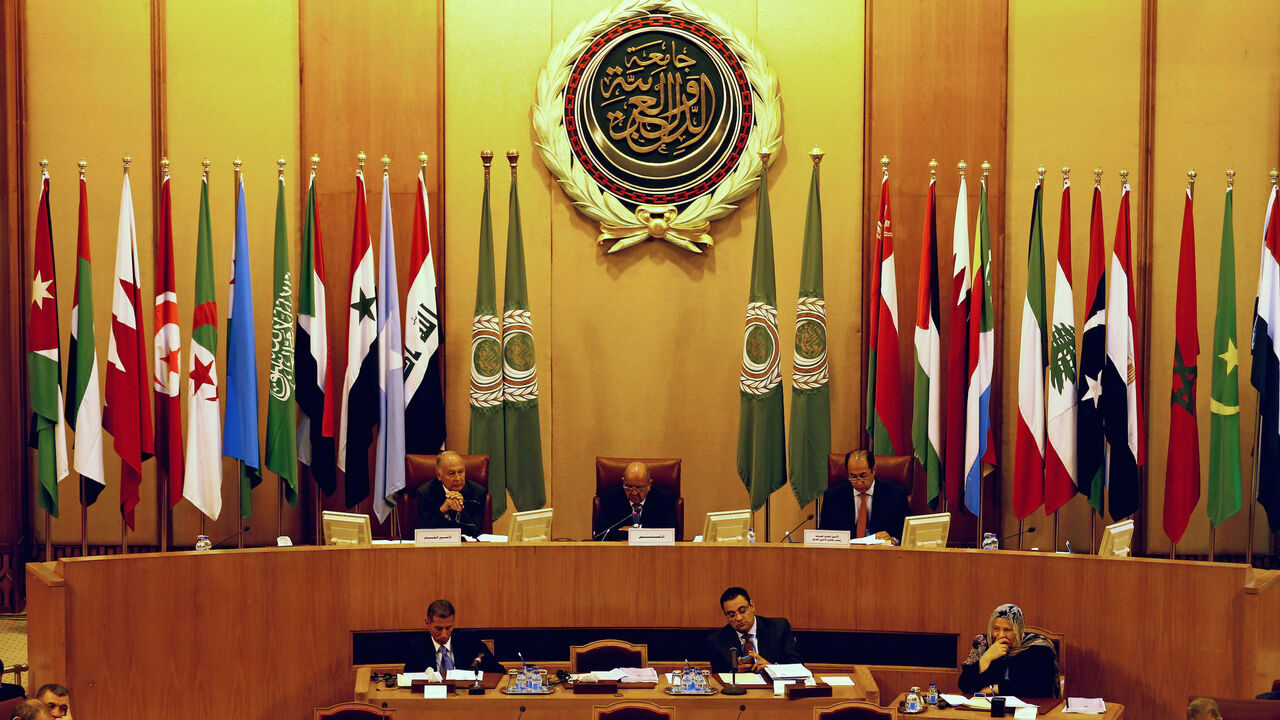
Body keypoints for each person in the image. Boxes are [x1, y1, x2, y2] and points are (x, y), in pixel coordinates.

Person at [959, 604, 1059, 698]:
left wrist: (995, 689)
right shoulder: (983, 643)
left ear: (1018, 631)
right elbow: (964, 685)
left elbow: (1040, 688)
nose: (1001, 635)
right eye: (996, 629)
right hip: (985, 707)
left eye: (1007, 630)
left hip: (1027, 710)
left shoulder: (1038, 647)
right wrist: (986, 658)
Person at [818, 449, 911, 543]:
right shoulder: (832, 497)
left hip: (882, 554)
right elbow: (824, 532)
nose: (859, 483)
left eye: (863, 476)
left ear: (873, 470)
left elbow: (906, 533)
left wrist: (893, 540)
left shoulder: (896, 495)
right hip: (844, 554)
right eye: (853, 477)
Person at [707, 586, 802, 674]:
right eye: (732, 615)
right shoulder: (717, 641)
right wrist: (733, 673)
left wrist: (772, 669)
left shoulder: (779, 628)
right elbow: (718, 677)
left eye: (742, 610)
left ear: (752, 606)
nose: (739, 618)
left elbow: (799, 669)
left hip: (773, 689)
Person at [403, 599, 504, 675]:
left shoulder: (470, 640)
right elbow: (408, 680)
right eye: (438, 628)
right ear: (427, 623)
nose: (444, 634)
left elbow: (499, 671)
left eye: (448, 628)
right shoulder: (416, 646)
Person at [595, 461, 678, 541]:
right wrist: (643, 533)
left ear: (649, 484)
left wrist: (630, 531)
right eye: (629, 487)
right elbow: (600, 534)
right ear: (623, 481)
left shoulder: (664, 500)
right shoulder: (610, 498)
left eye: (639, 488)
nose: (634, 493)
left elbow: (672, 534)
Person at [413, 451, 486, 536]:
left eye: (461, 472)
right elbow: (426, 534)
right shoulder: (425, 493)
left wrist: (461, 510)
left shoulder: (477, 492)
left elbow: (476, 532)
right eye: (452, 473)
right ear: (439, 475)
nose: (458, 478)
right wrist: (443, 511)